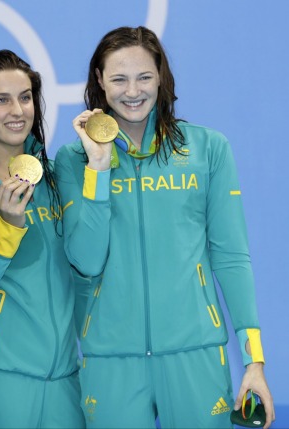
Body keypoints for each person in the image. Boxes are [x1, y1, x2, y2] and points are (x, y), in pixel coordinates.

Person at [55, 26, 275, 428]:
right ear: (100, 82)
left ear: (161, 77)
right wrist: (99, 168)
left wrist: (254, 360)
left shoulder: (208, 148)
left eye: (144, 77)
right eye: (119, 79)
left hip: (196, 354)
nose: (132, 91)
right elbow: (85, 260)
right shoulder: (72, 160)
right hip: (110, 360)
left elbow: (231, 257)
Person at [0, 49, 86, 428]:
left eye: (26, 97)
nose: (18, 110)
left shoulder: (56, 179)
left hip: (66, 381)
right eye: (2, 100)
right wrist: (6, 226)